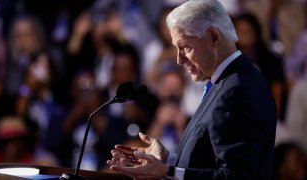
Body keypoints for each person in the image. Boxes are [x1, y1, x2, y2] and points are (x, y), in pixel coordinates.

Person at [107, 0, 277, 179]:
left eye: (185, 47)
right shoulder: (225, 81)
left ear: (213, 37)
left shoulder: (237, 89)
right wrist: (167, 160)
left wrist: (168, 172)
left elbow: (236, 176)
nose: (179, 60)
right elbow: (210, 162)